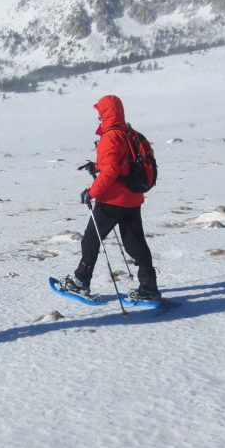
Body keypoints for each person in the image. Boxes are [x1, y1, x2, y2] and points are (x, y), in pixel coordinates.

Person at [59, 95, 161, 303]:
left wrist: (91, 193)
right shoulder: (131, 134)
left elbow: (111, 172)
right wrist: (96, 166)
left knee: (90, 239)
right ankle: (149, 288)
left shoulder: (110, 136)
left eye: (100, 114)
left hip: (113, 200)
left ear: (107, 114)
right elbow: (121, 164)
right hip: (133, 198)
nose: (98, 118)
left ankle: (80, 281)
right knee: (135, 244)